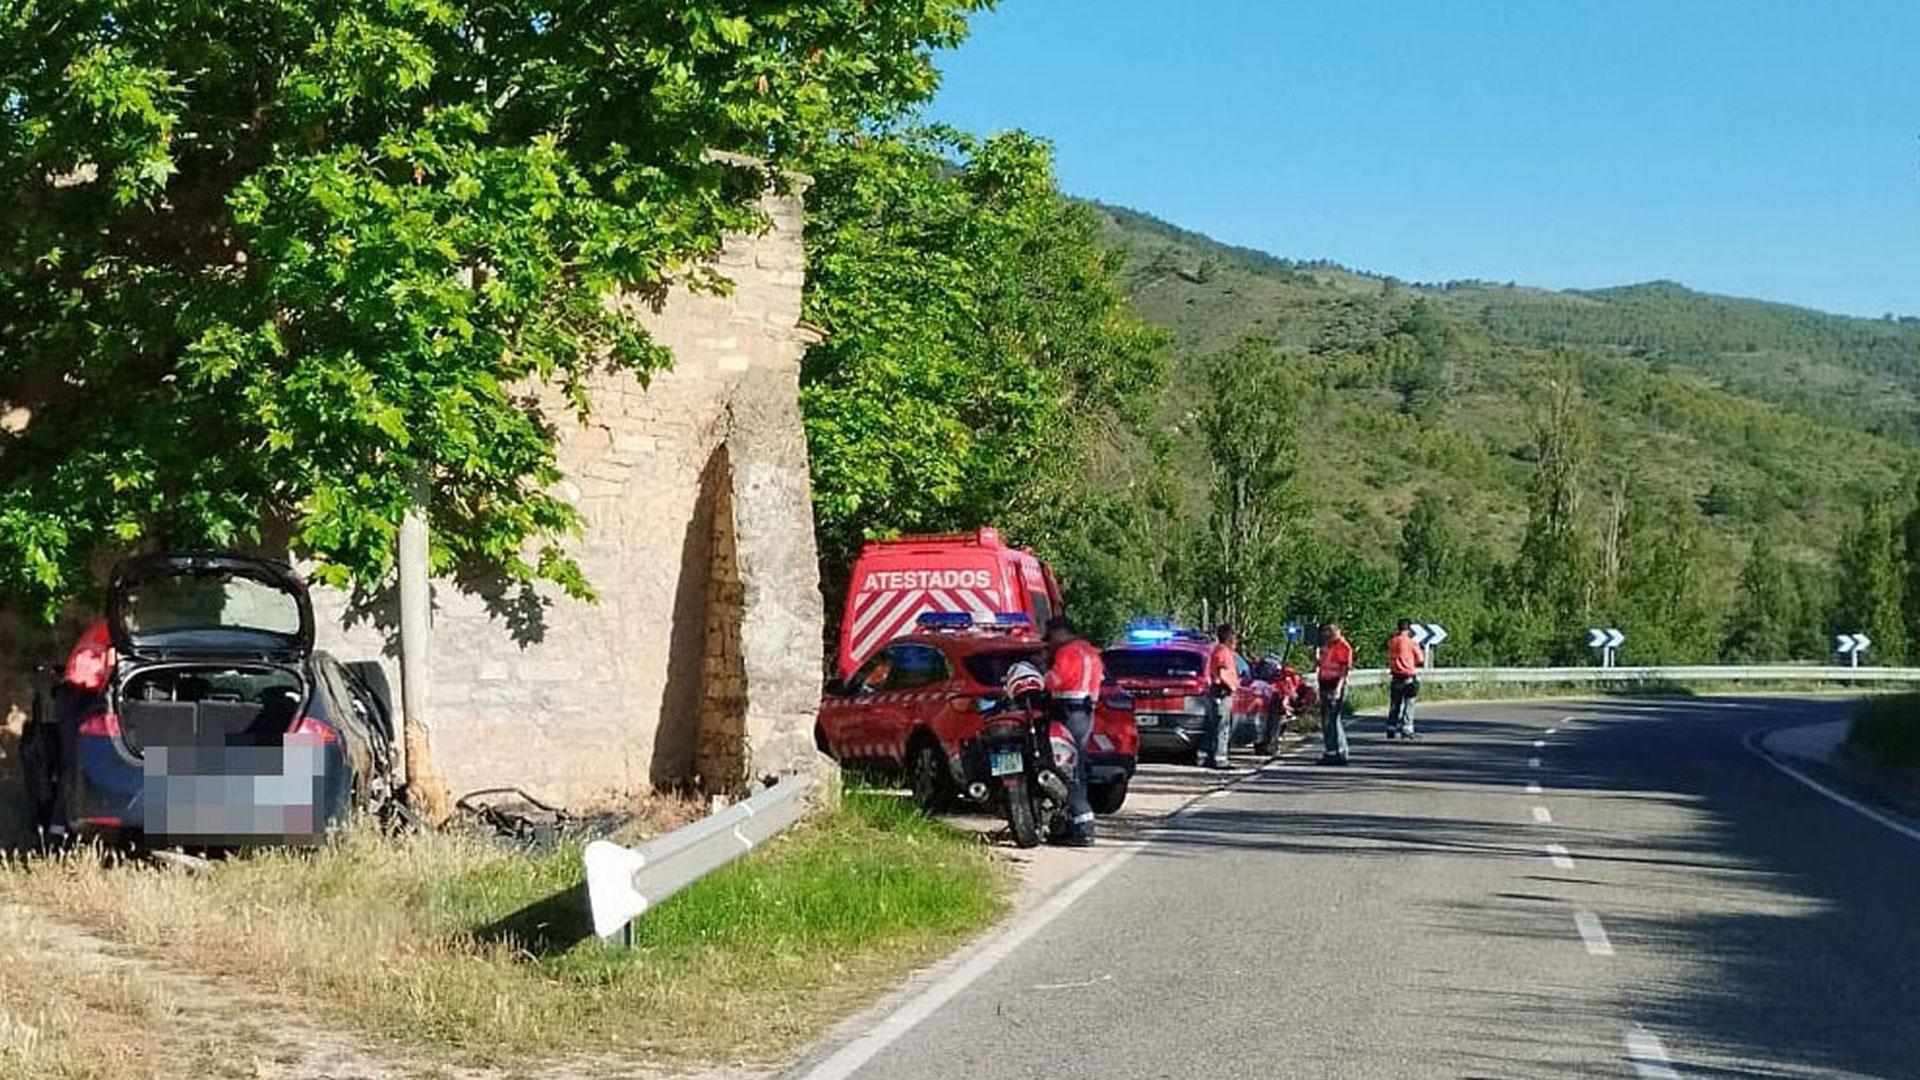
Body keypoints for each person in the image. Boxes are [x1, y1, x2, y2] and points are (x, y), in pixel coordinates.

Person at [1043, 616, 1103, 847]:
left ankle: (1081, 826)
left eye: (1051, 637)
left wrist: (1040, 677)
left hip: (1067, 709)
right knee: (1077, 764)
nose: (1050, 642)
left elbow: (1055, 680)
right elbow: (1097, 683)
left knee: (1066, 767)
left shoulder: (1066, 652)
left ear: (1060, 632)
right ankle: (1075, 823)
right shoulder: (1090, 652)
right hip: (1085, 711)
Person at [1201, 625, 1241, 770]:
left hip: (1216, 692)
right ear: (1229, 638)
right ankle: (1220, 759)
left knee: (1213, 727)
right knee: (1222, 727)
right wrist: (1233, 687)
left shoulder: (1218, 650)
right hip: (1222, 692)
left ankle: (1209, 757)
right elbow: (1223, 674)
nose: (1236, 641)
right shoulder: (1223, 652)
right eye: (1234, 637)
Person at [1316, 622, 1354, 765]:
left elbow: (1344, 669)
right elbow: (1323, 664)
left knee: (1332, 719)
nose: (1327, 635)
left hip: (1334, 684)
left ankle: (1339, 751)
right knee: (1327, 719)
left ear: (1337, 631)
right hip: (1325, 683)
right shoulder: (1329, 646)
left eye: (1330, 632)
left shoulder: (1343, 647)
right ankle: (1332, 750)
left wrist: (1338, 688)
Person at [1386, 619, 1425, 740]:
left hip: (1395, 676)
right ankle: (1407, 729)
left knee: (1395, 704)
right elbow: (1420, 659)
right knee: (1409, 703)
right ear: (1409, 629)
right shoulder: (1411, 642)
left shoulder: (1392, 642)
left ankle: (1391, 727)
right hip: (1408, 676)